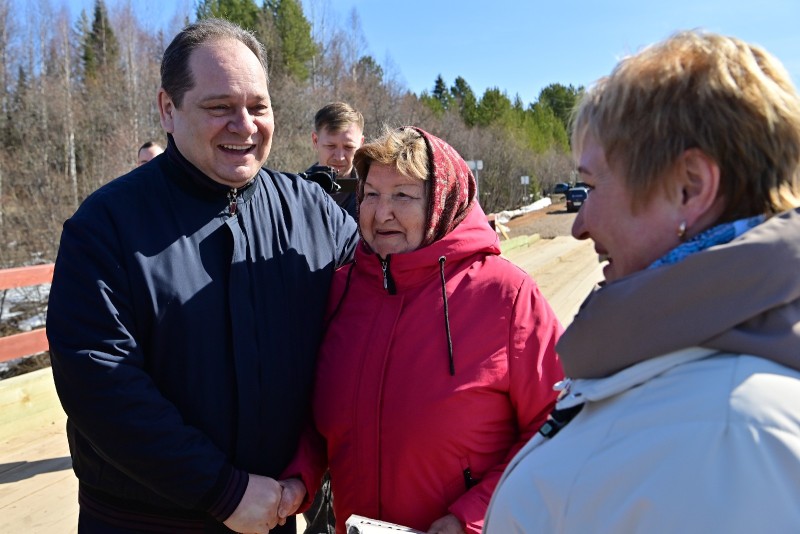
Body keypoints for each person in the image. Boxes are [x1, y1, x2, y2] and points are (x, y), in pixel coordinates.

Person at [46, 18, 357, 534]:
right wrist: (221, 490)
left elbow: (378, 318)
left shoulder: (316, 215)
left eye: (258, 107)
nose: (244, 124)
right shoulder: (106, 227)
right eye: (220, 108)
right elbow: (99, 381)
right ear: (169, 109)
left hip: (275, 511)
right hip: (143, 521)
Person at [484, 30, 800, 533]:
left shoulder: (741, 438)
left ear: (688, 188)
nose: (578, 224)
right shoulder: (715, 403)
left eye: (591, 186)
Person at [282, 126, 564, 533]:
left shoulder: (506, 294)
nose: (382, 213)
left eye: (403, 195)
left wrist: (471, 517)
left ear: (441, 202)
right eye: (372, 194)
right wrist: (299, 478)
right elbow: (315, 415)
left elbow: (557, 422)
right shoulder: (341, 290)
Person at [305, 102, 365, 219]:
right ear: (315, 141)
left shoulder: (371, 196)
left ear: (361, 144)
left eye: (348, 147)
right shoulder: (296, 193)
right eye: (331, 146)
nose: (339, 157)